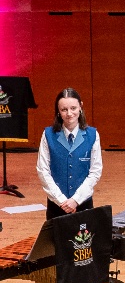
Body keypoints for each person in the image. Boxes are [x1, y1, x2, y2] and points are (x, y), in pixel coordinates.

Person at [37, 88, 102, 220]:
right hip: (57, 204)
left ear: (80, 107)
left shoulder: (92, 135)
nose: (69, 114)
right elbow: (43, 170)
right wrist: (61, 200)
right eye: (64, 110)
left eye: (73, 108)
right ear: (58, 112)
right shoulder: (48, 135)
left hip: (83, 203)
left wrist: (76, 200)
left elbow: (95, 171)